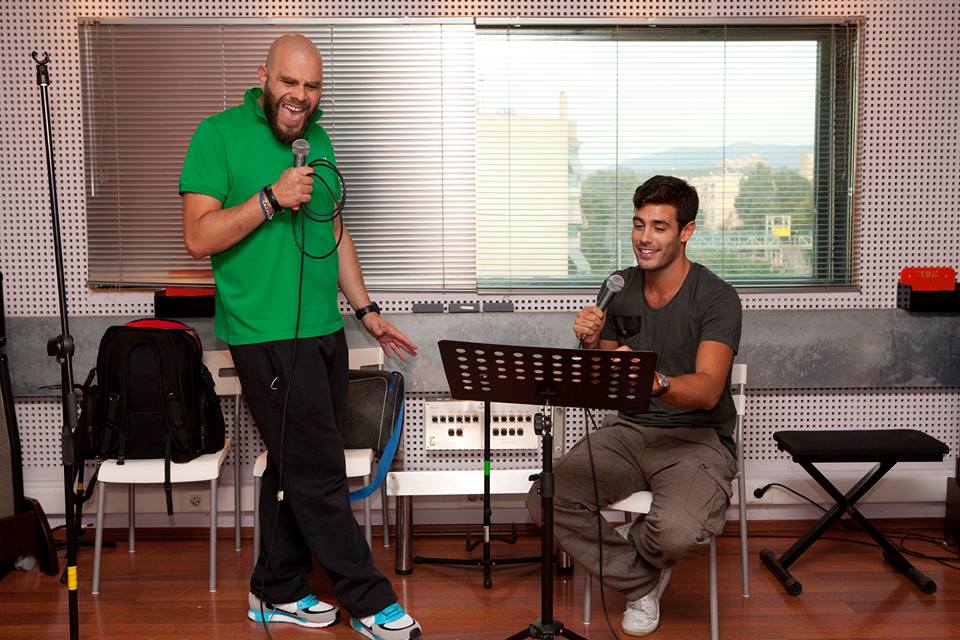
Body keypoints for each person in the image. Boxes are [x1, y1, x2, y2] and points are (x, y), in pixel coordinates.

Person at [179, 34, 421, 639]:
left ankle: (276, 588)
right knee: (317, 470)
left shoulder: (319, 141)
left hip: (323, 330)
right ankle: (370, 601)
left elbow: (333, 228)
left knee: (291, 464)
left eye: (312, 86)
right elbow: (198, 238)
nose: (300, 96)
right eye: (289, 82)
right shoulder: (217, 135)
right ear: (263, 76)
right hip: (264, 336)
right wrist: (269, 198)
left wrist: (366, 311)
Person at [527, 175, 741, 636]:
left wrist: (652, 379)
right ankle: (641, 580)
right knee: (546, 498)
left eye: (659, 227)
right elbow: (604, 376)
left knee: (678, 533)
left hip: (696, 438)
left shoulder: (717, 297)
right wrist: (591, 345)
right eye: (639, 224)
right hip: (629, 431)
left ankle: (629, 550)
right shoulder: (619, 287)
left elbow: (707, 390)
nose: (645, 237)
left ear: (686, 231)